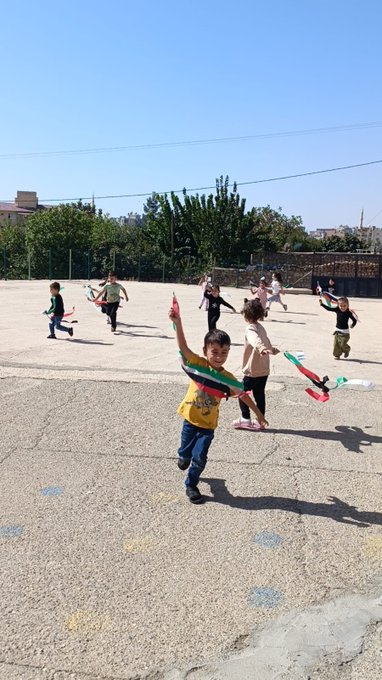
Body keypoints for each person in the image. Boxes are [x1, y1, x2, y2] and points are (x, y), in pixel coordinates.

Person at [169, 305, 267, 503]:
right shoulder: (198, 364)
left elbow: (245, 395)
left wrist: (258, 414)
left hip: (207, 426)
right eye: (214, 352)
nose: (219, 356)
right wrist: (177, 322)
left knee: (199, 458)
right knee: (185, 455)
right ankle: (183, 457)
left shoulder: (228, 379)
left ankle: (191, 484)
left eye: (224, 352)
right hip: (190, 420)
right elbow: (183, 347)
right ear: (205, 351)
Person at [233, 299, 279, 430]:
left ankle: (245, 418)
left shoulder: (250, 328)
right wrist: (271, 349)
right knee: (259, 395)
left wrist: (262, 348)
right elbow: (265, 341)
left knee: (241, 392)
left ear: (246, 314)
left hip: (252, 370)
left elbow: (256, 340)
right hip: (264, 370)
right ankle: (260, 421)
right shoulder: (261, 327)